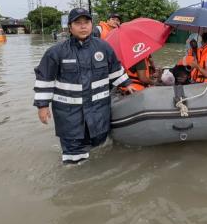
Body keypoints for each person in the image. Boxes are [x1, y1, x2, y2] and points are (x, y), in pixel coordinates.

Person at [33, 8, 135, 164]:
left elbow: (115, 69)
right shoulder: (56, 52)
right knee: (74, 160)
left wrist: (127, 84)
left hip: (98, 111)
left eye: (86, 22)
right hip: (69, 115)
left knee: (99, 152)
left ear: (91, 24)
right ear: (70, 27)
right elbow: (44, 79)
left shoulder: (103, 47)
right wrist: (42, 106)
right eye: (78, 23)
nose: (83, 26)